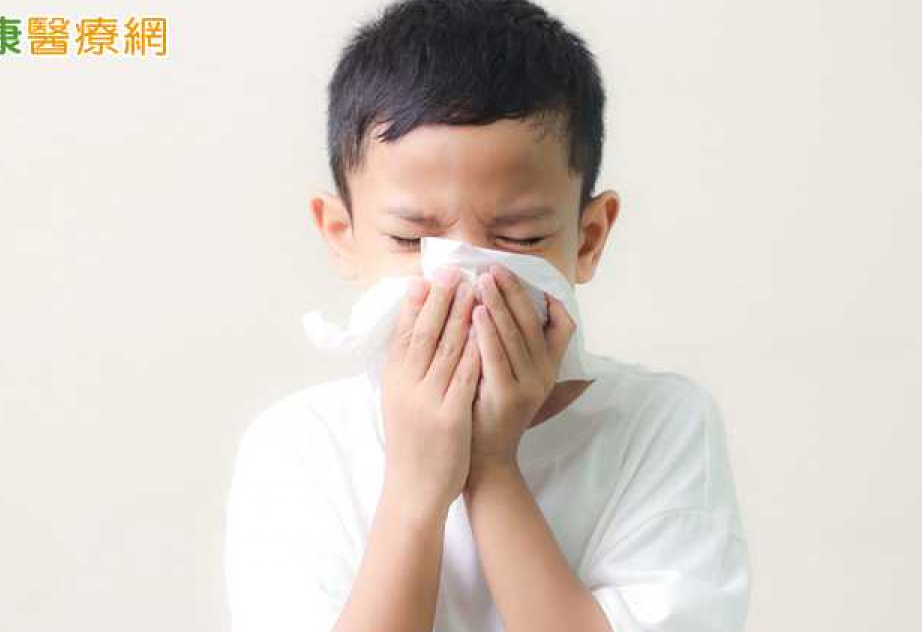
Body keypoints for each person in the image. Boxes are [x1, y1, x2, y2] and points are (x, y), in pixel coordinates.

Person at [224, 1, 750, 631]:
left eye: (520, 240)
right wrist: (415, 490)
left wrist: (494, 469)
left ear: (587, 239)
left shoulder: (659, 425)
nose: (465, 279)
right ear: (342, 235)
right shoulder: (301, 446)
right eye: (412, 240)